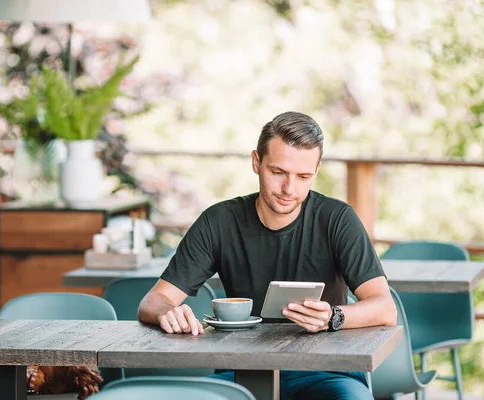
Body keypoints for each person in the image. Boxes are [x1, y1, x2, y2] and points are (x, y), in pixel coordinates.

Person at [138, 111, 397, 399]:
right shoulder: (219, 221)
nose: (289, 189)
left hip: (326, 372)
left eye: (303, 177)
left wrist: (333, 316)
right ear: (256, 162)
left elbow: (385, 309)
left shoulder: (337, 219)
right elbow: (153, 301)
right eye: (278, 173)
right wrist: (167, 312)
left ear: (317, 171)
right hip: (240, 371)